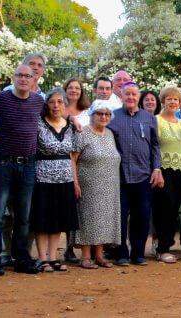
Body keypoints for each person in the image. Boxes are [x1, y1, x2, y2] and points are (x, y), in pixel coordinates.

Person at [0, 63, 46, 275]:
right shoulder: (0, 99)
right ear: (13, 77)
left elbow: (53, 117)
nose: (23, 79)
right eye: (19, 75)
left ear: (33, 80)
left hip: (28, 164)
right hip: (3, 163)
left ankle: (21, 258)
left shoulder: (38, 101)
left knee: (23, 215)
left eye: (28, 76)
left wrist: (73, 119)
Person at [109, 82, 163, 266]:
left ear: (138, 97)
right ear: (121, 96)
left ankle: (138, 252)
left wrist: (157, 168)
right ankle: (121, 252)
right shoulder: (113, 117)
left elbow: (156, 146)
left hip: (143, 175)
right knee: (120, 217)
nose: (130, 97)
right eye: (127, 94)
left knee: (142, 216)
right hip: (119, 176)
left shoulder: (149, 118)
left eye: (133, 94)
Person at [30, 88, 79, 272]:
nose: (56, 105)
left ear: (65, 104)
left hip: (65, 177)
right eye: (52, 101)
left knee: (58, 219)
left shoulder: (70, 126)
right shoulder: (38, 124)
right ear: (46, 104)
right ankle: (42, 258)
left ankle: (53, 257)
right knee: (43, 219)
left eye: (60, 102)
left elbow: (72, 155)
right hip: (42, 178)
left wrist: (75, 181)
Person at [71, 103, 121, 269]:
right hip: (88, 185)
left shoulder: (110, 134)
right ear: (92, 115)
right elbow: (72, 158)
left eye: (107, 114)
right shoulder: (83, 133)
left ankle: (99, 255)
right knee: (88, 218)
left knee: (103, 220)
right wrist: (75, 182)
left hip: (109, 185)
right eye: (100, 113)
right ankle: (85, 256)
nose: (103, 117)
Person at [153, 86, 181, 263]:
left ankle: (165, 245)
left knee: (174, 210)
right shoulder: (157, 120)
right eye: (169, 99)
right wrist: (157, 170)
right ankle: (162, 249)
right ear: (163, 101)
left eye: (176, 99)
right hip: (163, 171)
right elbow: (153, 148)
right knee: (164, 210)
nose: (173, 102)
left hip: (180, 172)